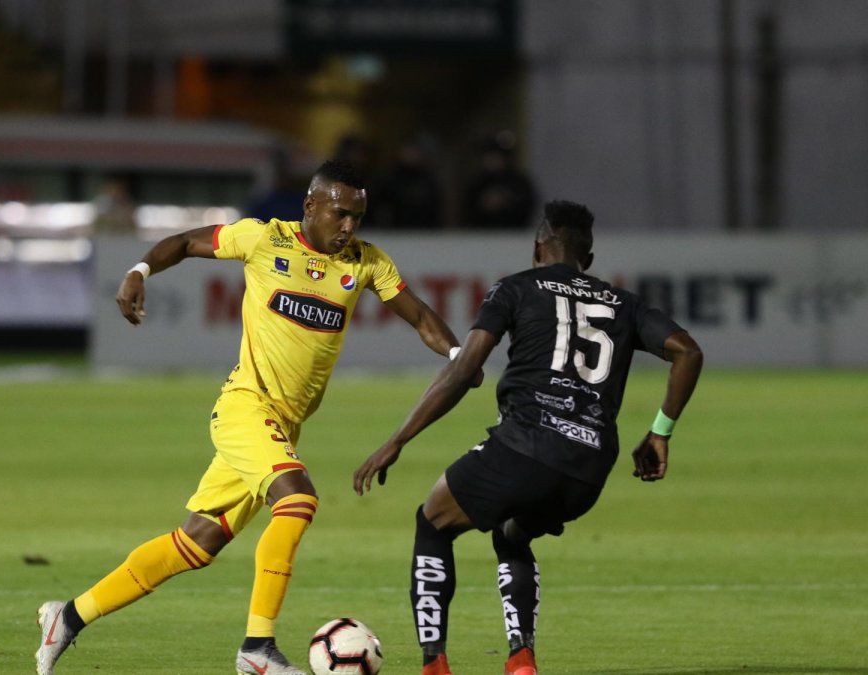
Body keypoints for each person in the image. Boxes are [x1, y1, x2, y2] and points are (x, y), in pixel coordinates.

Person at [36, 159, 469, 675]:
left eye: (357, 216)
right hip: (246, 407)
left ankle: (68, 616)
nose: (349, 226)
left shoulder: (367, 262)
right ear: (310, 206)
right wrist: (139, 271)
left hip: (283, 426)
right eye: (340, 214)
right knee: (298, 499)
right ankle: (257, 648)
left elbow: (419, 316)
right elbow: (185, 242)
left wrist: (459, 356)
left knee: (195, 543)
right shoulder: (264, 239)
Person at [352, 201, 704, 675]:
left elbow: (464, 369)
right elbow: (688, 352)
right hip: (588, 468)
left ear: (537, 249)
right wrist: (660, 433)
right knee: (511, 533)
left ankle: (434, 665)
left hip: (525, 446)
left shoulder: (515, 288)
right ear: (588, 259)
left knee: (433, 521)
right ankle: (521, 659)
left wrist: (398, 439)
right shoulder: (625, 303)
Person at [462, 132, 537, 230]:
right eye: (489, 156)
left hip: (513, 234)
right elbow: (467, 211)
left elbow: (527, 205)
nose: (492, 160)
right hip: (483, 234)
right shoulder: (478, 183)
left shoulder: (518, 182)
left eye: (496, 156)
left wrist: (506, 202)